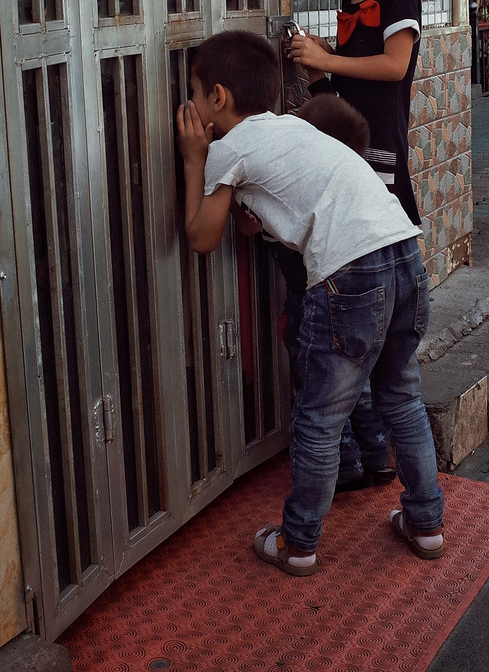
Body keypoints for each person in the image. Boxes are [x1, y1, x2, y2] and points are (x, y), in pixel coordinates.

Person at [176, 30, 444, 576]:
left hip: (352, 273)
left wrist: (191, 160)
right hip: (404, 254)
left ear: (218, 99)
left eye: (196, 96)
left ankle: (298, 542)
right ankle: (426, 524)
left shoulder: (229, 148)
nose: (193, 107)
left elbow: (203, 236)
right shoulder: (290, 128)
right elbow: (262, 217)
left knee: (320, 417)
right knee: (401, 399)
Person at [257, 94, 395, 496]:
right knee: (360, 384)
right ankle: (376, 456)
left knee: (321, 390)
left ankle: (346, 464)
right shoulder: (351, 192)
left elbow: (253, 227)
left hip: (312, 305)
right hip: (361, 297)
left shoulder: (299, 196)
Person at [289, 0, 422, 226]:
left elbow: (395, 65)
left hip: (380, 148)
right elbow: (354, 67)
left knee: (382, 233)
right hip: (347, 142)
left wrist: (329, 59)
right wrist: (323, 59)